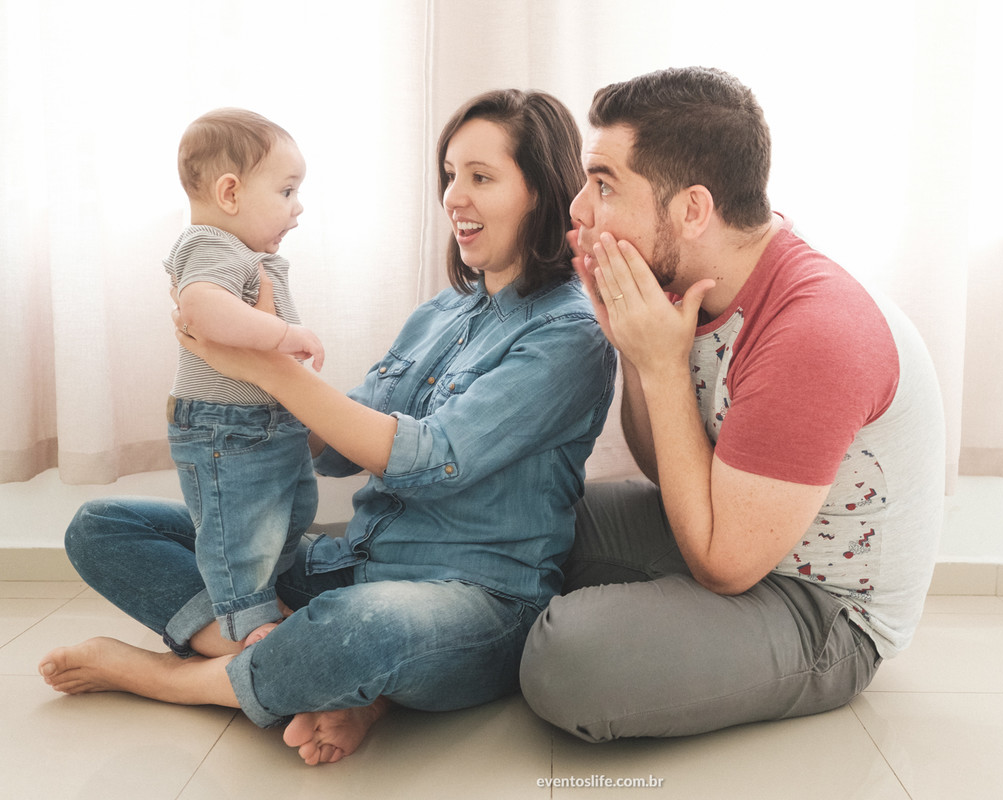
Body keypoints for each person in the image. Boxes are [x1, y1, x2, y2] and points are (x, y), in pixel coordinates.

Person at [38, 89, 615, 766]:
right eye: (451, 175)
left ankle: (176, 678)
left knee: (357, 632)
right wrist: (237, 379)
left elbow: (431, 459)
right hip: (348, 566)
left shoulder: (571, 334)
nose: (455, 197)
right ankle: (315, 672)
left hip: (475, 600)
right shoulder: (443, 312)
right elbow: (340, 451)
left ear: (542, 193)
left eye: (481, 178)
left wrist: (273, 370)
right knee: (102, 527)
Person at [519, 66, 946, 742]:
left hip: (824, 609)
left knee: (567, 657)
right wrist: (634, 349)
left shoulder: (814, 330)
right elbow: (672, 476)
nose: (578, 210)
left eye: (603, 185)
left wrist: (661, 366)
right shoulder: (701, 281)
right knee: (523, 500)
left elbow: (723, 565)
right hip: (732, 532)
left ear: (692, 210)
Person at [164, 108, 325, 647]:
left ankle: (263, 596)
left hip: (266, 421)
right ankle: (248, 627)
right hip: (224, 429)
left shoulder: (243, 251)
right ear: (229, 193)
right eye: (286, 192)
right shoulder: (209, 245)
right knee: (241, 533)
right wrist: (281, 337)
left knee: (292, 512)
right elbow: (200, 310)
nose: (297, 209)